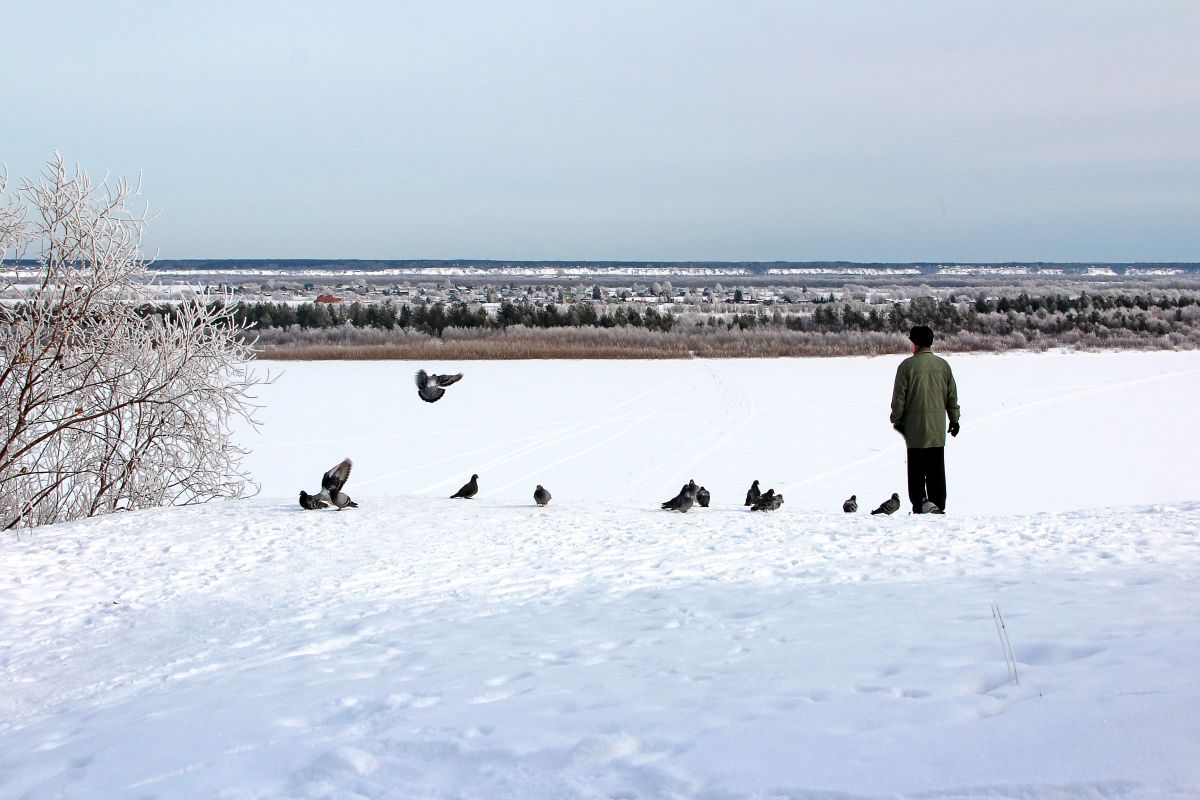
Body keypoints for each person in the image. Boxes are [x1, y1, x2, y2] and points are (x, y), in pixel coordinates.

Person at [890, 325, 960, 513]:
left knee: (916, 473)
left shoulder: (906, 366)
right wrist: (954, 420)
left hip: (914, 431)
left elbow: (898, 399)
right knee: (937, 472)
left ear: (916, 344)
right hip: (937, 431)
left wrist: (896, 419)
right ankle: (938, 507)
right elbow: (951, 396)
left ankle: (920, 506)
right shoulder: (943, 365)